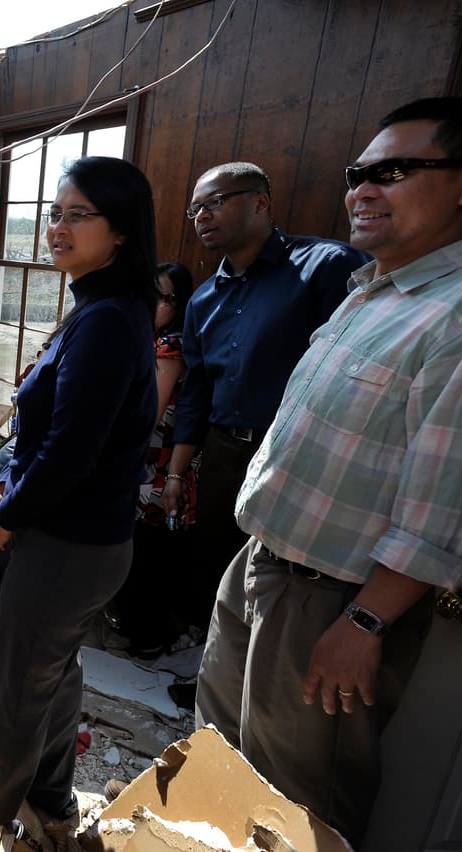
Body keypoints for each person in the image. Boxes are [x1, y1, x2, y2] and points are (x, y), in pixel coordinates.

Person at [195, 96, 462, 846]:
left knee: (293, 807)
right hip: (263, 564)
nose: (363, 189)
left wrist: (365, 621)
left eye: (393, 172)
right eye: (359, 173)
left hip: (332, 603)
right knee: (217, 758)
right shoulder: (372, 292)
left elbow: (446, 506)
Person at [0, 156, 159, 846]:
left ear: (120, 231)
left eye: (77, 214)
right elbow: (67, 442)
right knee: (52, 669)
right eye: (54, 213)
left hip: (71, 544)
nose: (57, 227)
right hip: (84, 537)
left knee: (19, 680)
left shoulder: (106, 321)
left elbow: (72, 452)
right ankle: (53, 798)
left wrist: (6, 518)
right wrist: (12, 491)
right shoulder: (102, 308)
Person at [161, 162, 367, 629]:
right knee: (217, 562)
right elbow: (197, 389)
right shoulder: (202, 301)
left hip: (301, 456)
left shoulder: (327, 268)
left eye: (214, 202)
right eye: (195, 208)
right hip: (224, 452)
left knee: (282, 578)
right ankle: (210, 679)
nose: (201, 216)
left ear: (260, 202)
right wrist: (177, 474)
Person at [112, 261, 199, 658]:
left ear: (178, 304)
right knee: (134, 549)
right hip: (139, 459)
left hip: (158, 464)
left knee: (146, 554)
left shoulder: (171, 346)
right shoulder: (147, 339)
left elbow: (149, 411)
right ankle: (137, 630)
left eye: (165, 298)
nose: (155, 304)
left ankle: (149, 637)